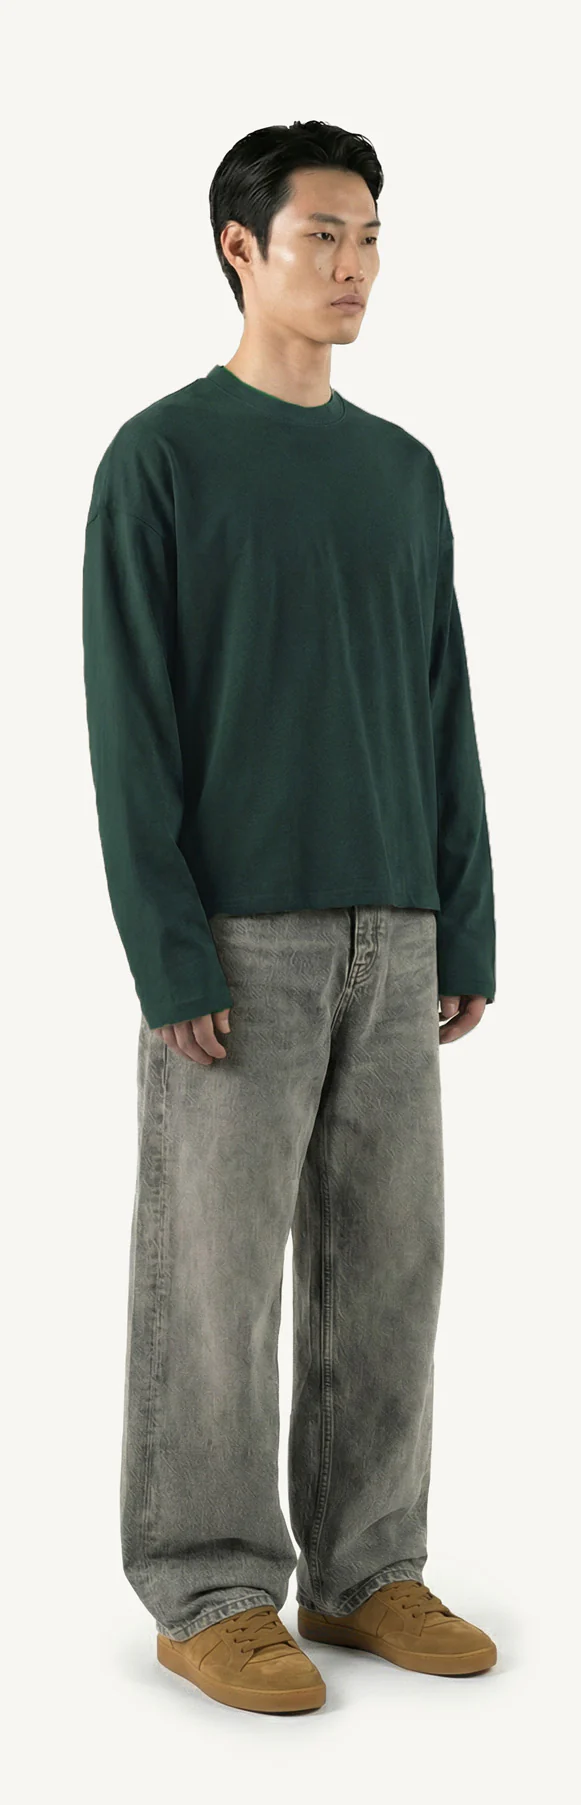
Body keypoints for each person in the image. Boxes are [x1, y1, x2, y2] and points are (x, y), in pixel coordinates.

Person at [82, 118, 497, 1716]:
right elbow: (129, 727)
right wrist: (168, 947)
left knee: (391, 1267)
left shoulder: (403, 472)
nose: (355, 266)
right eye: (323, 235)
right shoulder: (162, 459)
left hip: (396, 932)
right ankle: (206, 1589)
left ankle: (369, 1567)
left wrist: (464, 920)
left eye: (371, 236)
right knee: (216, 1277)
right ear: (241, 248)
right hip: (238, 941)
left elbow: (443, 709)